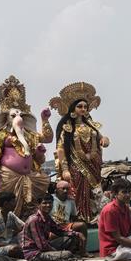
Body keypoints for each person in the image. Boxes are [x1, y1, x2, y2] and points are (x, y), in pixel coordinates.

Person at [0, 75, 53, 217]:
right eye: (13, 115)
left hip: (29, 177)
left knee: (30, 207)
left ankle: (28, 227)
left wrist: (44, 120)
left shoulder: (29, 135)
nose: (18, 118)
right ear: (6, 118)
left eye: (20, 114)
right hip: (7, 177)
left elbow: (47, 138)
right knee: (8, 207)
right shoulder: (0, 133)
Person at [52, 83, 111, 223]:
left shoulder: (91, 125)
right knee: (78, 191)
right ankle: (81, 217)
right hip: (76, 165)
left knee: (95, 190)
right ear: (73, 108)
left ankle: (95, 216)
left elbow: (102, 138)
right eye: (80, 106)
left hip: (94, 164)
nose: (83, 109)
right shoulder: (68, 127)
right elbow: (61, 149)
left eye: (85, 106)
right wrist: (65, 169)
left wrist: (105, 140)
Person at [21, 194, 85, 261]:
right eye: (45, 203)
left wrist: (77, 234)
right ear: (38, 205)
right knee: (67, 254)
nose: (48, 205)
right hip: (34, 254)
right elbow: (42, 246)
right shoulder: (34, 220)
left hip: (44, 248)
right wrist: (58, 252)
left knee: (71, 238)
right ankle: (64, 258)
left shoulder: (47, 218)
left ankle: (65, 257)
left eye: (50, 203)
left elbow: (60, 231)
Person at [52, 180, 87, 245]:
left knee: (82, 225)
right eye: (63, 189)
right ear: (57, 190)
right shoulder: (51, 199)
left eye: (67, 189)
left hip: (65, 225)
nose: (65, 191)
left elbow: (74, 216)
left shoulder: (71, 201)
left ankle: (83, 251)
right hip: (53, 227)